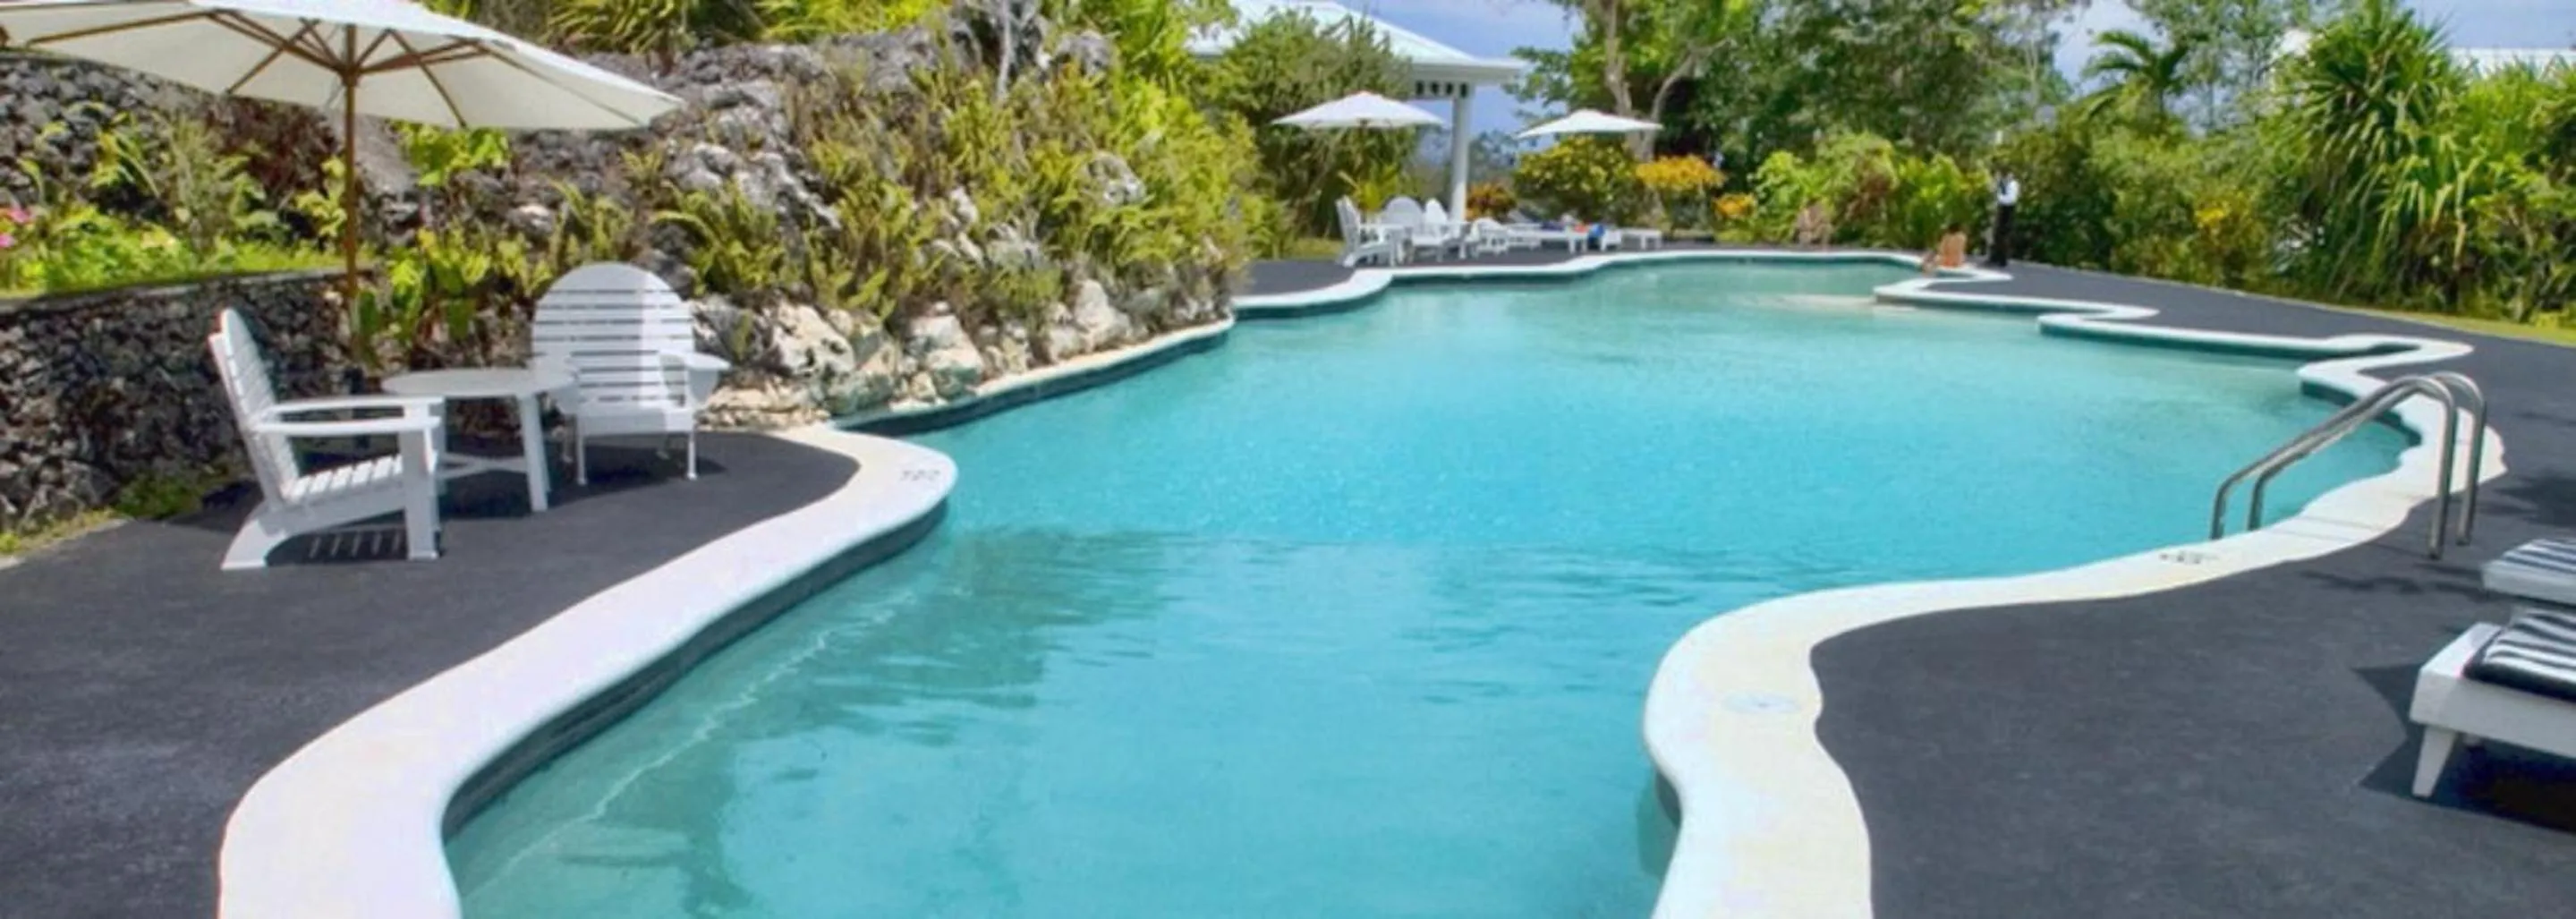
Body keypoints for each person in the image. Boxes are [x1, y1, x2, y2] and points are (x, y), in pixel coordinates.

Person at [1987, 171, 2020, 268]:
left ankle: (2003, 259)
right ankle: (1995, 257)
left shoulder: (2012, 185)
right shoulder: (2003, 185)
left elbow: (2010, 199)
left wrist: (1998, 196)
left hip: (2008, 210)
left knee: (2004, 235)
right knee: (1996, 234)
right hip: (2001, 209)